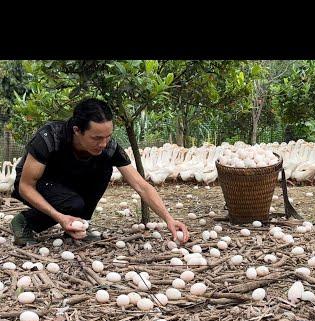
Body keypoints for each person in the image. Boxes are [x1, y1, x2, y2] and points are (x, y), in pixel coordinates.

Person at [10, 98, 190, 246]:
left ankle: (78, 226)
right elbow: (26, 186)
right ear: (77, 130)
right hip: (36, 183)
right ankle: (25, 222)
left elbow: (141, 186)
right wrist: (59, 217)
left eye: (108, 136)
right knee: (72, 204)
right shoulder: (50, 138)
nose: (104, 143)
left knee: (104, 169)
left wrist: (168, 219)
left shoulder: (108, 147)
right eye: (96, 138)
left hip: (66, 181)